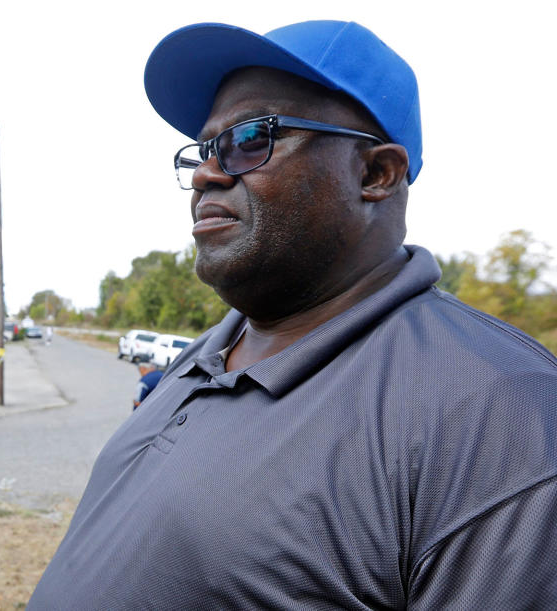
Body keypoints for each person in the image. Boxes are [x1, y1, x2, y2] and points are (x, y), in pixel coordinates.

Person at [29, 20, 557, 608]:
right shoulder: (206, 354)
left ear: (375, 173)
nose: (207, 173)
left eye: (251, 138)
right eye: (205, 149)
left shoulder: (501, 409)